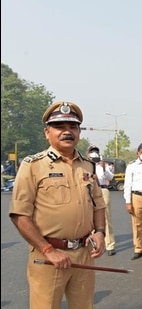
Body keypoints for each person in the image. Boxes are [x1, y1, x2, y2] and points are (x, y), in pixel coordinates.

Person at [9, 101, 106, 309]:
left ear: (79, 132)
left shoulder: (88, 165)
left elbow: (98, 204)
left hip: (83, 254)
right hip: (48, 256)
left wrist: (100, 232)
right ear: (47, 133)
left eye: (72, 127)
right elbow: (19, 215)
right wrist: (47, 249)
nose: (67, 132)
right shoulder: (32, 166)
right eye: (60, 127)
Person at [87, 145, 117, 256]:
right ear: (88, 154)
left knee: (106, 217)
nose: (94, 153)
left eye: (96, 151)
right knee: (88, 218)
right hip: (89, 191)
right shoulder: (85, 164)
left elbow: (110, 178)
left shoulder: (104, 165)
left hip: (103, 190)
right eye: (92, 152)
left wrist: (104, 168)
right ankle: (92, 243)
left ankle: (110, 245)